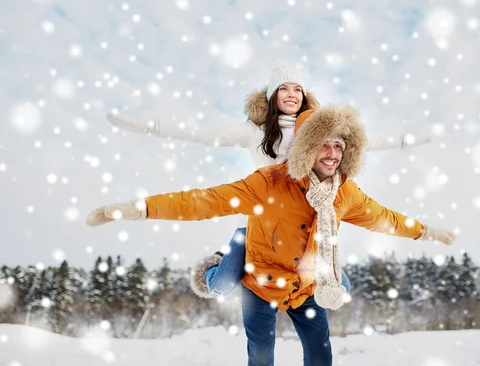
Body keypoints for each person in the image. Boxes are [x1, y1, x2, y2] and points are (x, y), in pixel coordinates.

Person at [87, 104, 455, 366]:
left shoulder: (346, 193)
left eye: (339, 146)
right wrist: (138, 208)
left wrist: (426, 232)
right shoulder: (270, 182)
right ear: (307, 147)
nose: (331, 153)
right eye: (324, 144)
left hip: (306, 286)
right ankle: (226, 256)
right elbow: (204, 201)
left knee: (321, 352)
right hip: (260, 282)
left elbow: (384, 218)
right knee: (261, 354)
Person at [105, 61, 432, 300]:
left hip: (308, 229)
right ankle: (226, 254)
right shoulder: (255, 131)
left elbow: (366, 140)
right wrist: (150, 126)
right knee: (219, 287)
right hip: (263, 224)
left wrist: (408, 140)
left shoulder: (319, 131)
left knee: (340, 288)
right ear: (273, 96)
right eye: (284, 89)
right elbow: (204, 133)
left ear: (305, 97)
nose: (291, 94)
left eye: (297, 89)